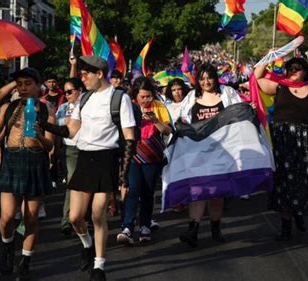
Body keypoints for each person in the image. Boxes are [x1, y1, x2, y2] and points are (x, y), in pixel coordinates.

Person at [41, 55, 136, 281]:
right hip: (84, 159)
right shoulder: (83, 99)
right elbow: (71, 131)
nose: (81, 78)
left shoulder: (119, 98)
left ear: (100, 74)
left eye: (85, 74)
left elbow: (130, 138)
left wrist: (124, 177)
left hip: (106, 160)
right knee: (75, 217)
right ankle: (87, 244)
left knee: (97, 214)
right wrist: (44, 125)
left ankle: (99, 266)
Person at [0, 68, 55, 280]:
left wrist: (39, 134)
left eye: (28, 83)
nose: (23, 88)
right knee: (6, 218)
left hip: (35, 161)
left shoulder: (46, 109)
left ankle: (25, 260)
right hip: (12, 161)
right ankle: (8, 247)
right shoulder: (8, 107)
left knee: (31, 217)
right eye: (19, 84)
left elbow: (50, 145)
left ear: (38, 85)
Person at [254, 57, 308, 241]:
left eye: (298, 69)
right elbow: (256, 76)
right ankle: (286, 225)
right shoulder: (279, 87)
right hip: (282, 142)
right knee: (283, 184)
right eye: (290, 69)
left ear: (305, 71)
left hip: (305, 143)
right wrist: (270, 57)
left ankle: (299, 213)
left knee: (305, 181)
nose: (294, 72)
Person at [177, 63, 242, 247]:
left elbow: (239, 114)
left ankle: (215, 228)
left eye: (209, 77)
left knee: (215, 194)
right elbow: (183, 119)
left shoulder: (227, 94)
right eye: (202, 78)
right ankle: (193, 230)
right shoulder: (192, 96)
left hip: (223, 152)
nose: (206, 82)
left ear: (215, 78)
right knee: (197, 191)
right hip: (197, 151)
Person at [117, 77, 171, 245]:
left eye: (149, 96)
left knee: (147, 192)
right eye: (142, 97)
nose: (146, 100)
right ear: (135, 95)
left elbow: (167, 130)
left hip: (152, 155)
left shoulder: (159, 106)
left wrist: (155, 120)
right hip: (132, 153)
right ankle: (127, 226)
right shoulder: (128, 106)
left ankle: (145, 226)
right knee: (133, 189)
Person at [56, 77, 84, 236]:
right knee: (72, 183)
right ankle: (67, 220)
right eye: (65, 92)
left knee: (88, 185)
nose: (67, 95)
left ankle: (85, 218)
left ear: (80, 91)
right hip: (71, 149)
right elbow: (60, 125)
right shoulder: (63, 107)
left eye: (70, 92)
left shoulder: (89, 105)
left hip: (89, 148)